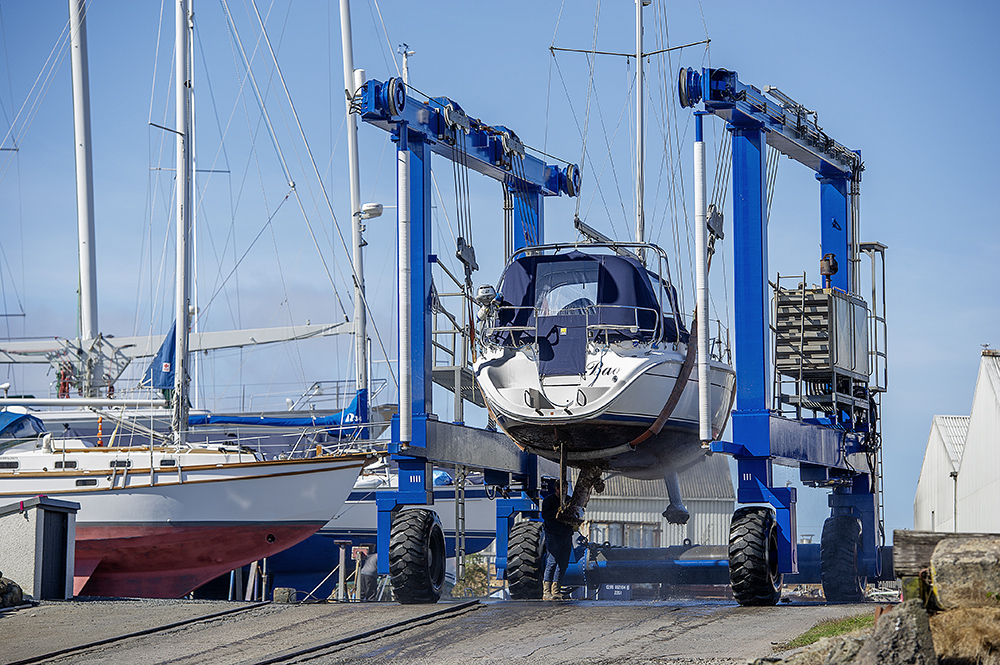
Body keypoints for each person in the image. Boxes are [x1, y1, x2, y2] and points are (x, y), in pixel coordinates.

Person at [541, 490, 574, 600]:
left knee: (563, 563)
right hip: (553, 535)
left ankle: (556, 590)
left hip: (566, 534)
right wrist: (558, 512)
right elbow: (545, 515)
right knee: (552, 561)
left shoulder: (569, 500)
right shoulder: (549, 500)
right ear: (556, 489)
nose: (563, 491)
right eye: (561, 488)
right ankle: (546, 591)